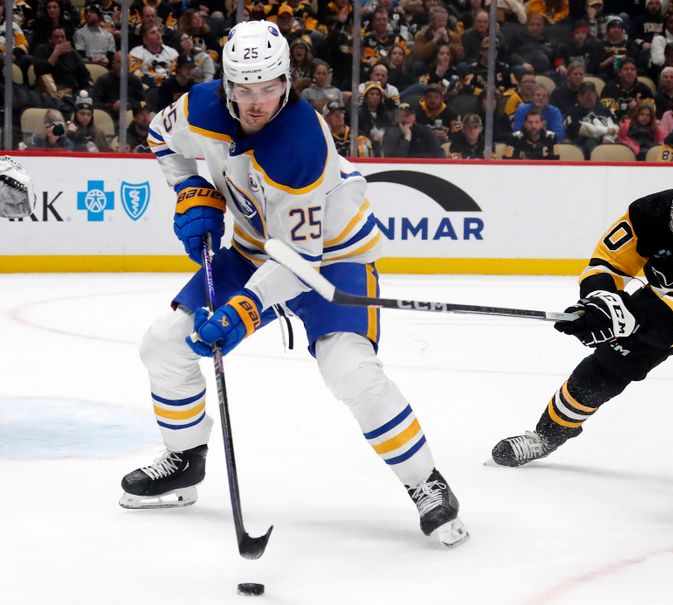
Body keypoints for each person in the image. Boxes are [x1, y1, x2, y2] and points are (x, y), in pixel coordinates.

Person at [119, 21, 467, 548]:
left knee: (350, 370)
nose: (257, 102)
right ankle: (185, 460)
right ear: (227, 85)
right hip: (257, 247)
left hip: (333, 258)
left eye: (268, 88)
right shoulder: (199, 108)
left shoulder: (302, 142)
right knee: (164, 343)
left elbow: (298, 262)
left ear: (286, 81)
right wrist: (190, 188)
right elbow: (158, 139)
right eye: (244, 89)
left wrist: (243, 311)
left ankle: (427, 483)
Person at [491, 166, 673, 503]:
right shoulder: (648, 213)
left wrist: (627, 318)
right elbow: (607, 264)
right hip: (668, 292)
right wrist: (599, 303)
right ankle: (545, 436)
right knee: (611, 361)